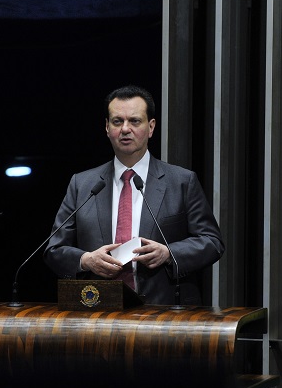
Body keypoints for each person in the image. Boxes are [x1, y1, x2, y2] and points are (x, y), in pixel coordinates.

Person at [43, 85, 224, 305]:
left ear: (151, 127)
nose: (125, 129)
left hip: (165, 310)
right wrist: (87, 260)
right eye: (117, 121)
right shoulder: (82, 184)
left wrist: (169, 253)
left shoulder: (182, 182)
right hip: (99, 309)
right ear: (107, 127)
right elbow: (54, 249)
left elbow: (212, 242)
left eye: (135, 121)